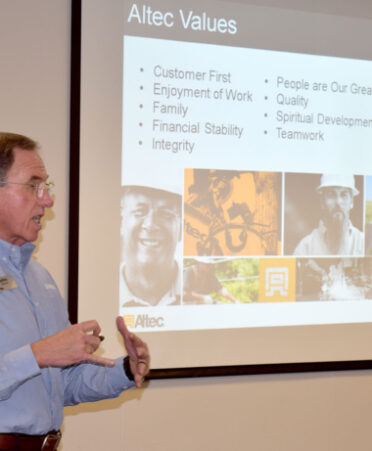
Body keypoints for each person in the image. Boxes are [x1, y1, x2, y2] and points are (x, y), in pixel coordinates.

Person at [0, 132, 150, 450]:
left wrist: (125, 368)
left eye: (47, 187)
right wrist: (36, 355)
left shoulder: (40, 278)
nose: (48, 200)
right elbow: (39, 360)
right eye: (33, 185)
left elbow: (63, 384)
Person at [120, 183, 181, 307]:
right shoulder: (96, 289)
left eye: (165, 214)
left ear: (181, 229)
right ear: (121, 223)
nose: (150, 225)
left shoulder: (204, 297)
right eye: (139, 212)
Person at [293, 174, 363, 256]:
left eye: (344, 195)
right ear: (322, 202)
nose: (338, 202)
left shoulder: (363, 242)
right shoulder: (306, 248)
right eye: (331, 195)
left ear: (352, 202)